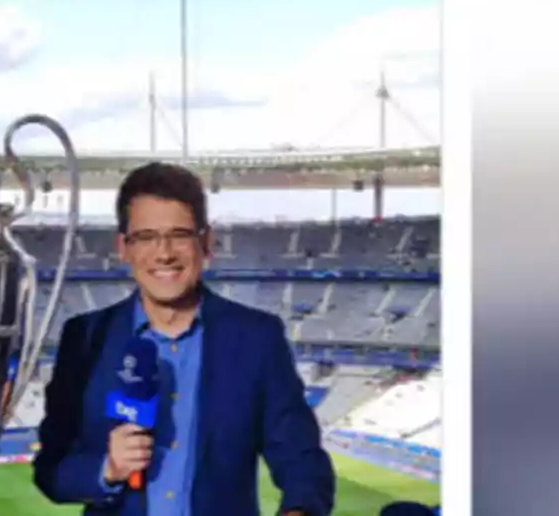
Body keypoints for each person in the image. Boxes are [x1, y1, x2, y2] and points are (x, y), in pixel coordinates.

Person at [33, 163, 336, 515]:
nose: (164, 253)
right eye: (145, 236)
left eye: (179, 235)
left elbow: (303, 462)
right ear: (123, 247)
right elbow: (51, 472)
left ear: (205, 243)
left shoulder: (257, 338)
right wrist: (107, 469)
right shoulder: (85, 339)